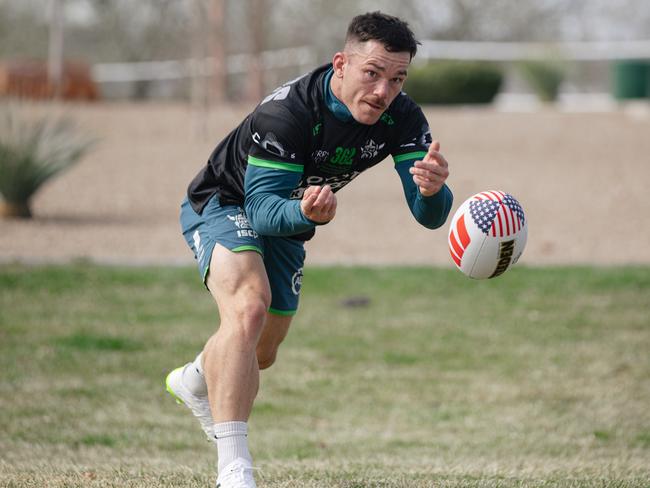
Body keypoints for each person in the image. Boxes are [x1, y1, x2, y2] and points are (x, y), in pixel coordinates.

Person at [166, 11, 453, 488]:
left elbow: (430, 218)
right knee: (248, 308)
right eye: (372, 73)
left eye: (397, 78)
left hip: (296, 215)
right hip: (226, 201)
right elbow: (259, 211)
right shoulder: (288, 113)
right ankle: (235, 470)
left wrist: (431, 190)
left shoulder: (401, 116)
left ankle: (195, 377)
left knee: (262, 351)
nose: (384, 91)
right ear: (341, 64)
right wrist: (307, 214)